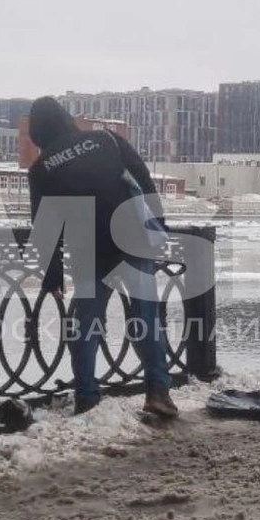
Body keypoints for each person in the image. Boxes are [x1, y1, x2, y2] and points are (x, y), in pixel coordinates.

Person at [27, 96, 178, 418]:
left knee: (85, 326)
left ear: (36, 132)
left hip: (89, 250)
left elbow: (44, 228)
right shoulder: (107, 139)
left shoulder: (40, 169)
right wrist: (159, 224)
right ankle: (158, 393)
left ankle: (87, 398)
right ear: (66, 119)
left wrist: (52, 276)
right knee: (146, 319)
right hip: (133, 239)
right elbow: (143, 181)